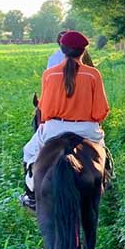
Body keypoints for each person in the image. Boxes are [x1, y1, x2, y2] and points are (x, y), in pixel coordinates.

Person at [20, 30, 110, 211]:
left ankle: (31, 195)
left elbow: (44, 110)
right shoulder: (93, 74)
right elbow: (101, 112)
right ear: (83, 51)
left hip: (54, 128)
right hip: (87, 129)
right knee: (104, 154)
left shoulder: (49, 74)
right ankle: (105, 179)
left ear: (62, 49)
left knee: (29, 152)